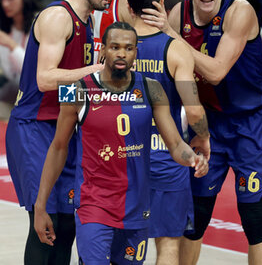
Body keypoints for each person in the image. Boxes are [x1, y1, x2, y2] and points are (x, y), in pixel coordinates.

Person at [34, 22, 209, 265]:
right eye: (114, 47)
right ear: (103, 50)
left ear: (136, 52)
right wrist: (40, 205)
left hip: (136, 207)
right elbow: (58, 147)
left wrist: (192, 158)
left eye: (128, 48)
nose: (121, 53)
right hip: (93, 205)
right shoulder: (77, 90)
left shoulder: (152, 89)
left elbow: (175, 144)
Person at [142, 0, 262, 265]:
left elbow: (216, 71)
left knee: (255, 220)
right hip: (206, 125)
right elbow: (165, 69)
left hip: (250, 124)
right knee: (194, 220)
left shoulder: (240, 11)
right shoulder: (177, 15)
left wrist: (172, 38)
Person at [5, 0, 117, 265]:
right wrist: (97, 71)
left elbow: (74, 81)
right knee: (45, 223)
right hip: (34, 127)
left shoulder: (90, 20)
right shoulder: (58, 17)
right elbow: (45, 79)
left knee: (68, 224)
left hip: (65, 128)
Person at [123, 0, 210, 265]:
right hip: (164, 156)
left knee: (123, 246)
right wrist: (203, 136)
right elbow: (194, 109)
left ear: (128, 5)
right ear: (160, 3)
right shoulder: (175, 50)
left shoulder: (114, 49)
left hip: (123, 155)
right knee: (169, 245)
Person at [0, 0, 40, 104]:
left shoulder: (40, 22)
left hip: (39, 97)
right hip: (14, 94)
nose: (5, 4)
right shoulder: (5, 27)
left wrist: (11, 45)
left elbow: (34, 72)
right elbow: (11, 75)